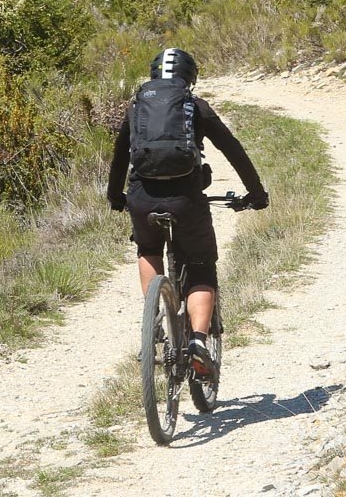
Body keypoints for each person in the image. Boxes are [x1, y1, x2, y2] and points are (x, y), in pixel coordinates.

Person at [107, 47, 268, 380]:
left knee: (148, 248)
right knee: (199, 267)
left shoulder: (137, 107)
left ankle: (153, 323)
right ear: (190, 77)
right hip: (186, 201)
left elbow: (120, 157)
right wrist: (256, 193)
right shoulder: (195, 106)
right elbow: (233, 149)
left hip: (142, 199)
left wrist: (115, 197)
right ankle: (197, 342)